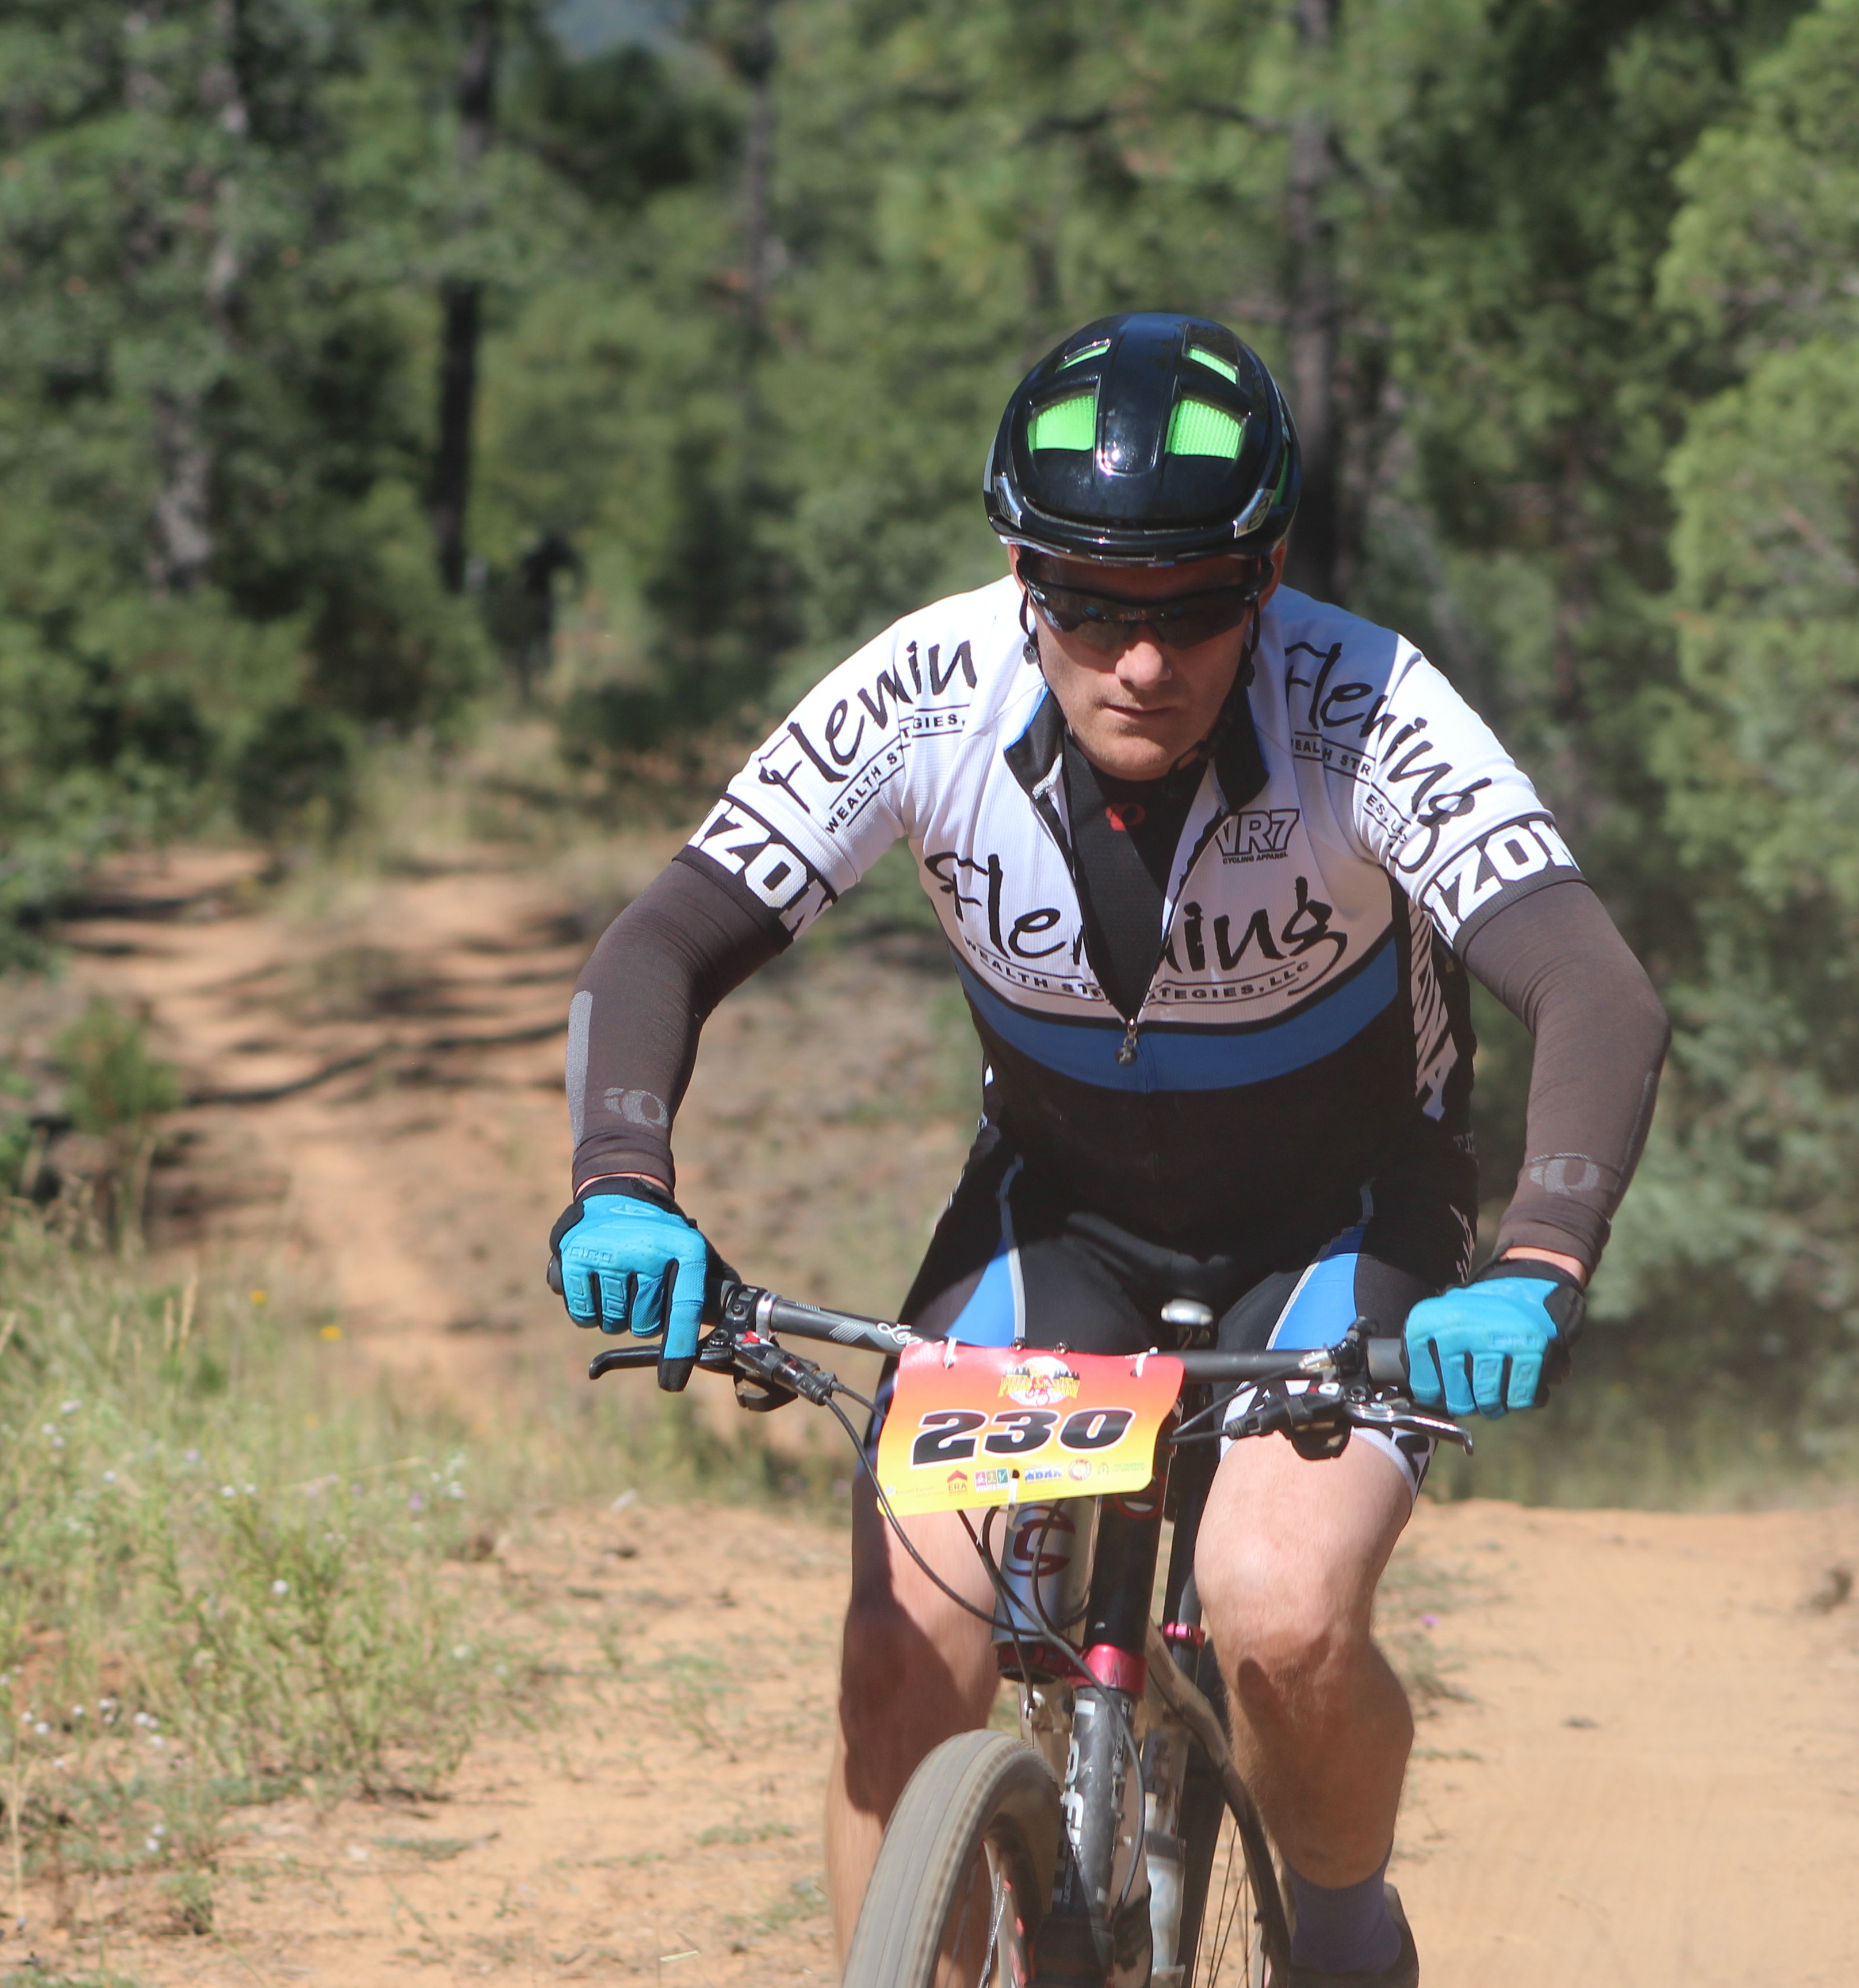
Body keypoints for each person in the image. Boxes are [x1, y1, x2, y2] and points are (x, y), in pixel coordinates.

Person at [548, 312, 1668, 1986]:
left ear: (1267, 578)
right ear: (1022, 575)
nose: (1144, 661)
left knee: (1279, 1608)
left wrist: (1536, 1264)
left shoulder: (1362, 704)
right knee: (904, 1639)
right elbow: (663, 943)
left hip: (1344, 1220)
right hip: (1060, 1214)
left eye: (1198, 606)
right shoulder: (928, 689)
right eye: (1090, 605)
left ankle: (1344, 1935)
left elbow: (1592, 984)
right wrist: (620, 1183)